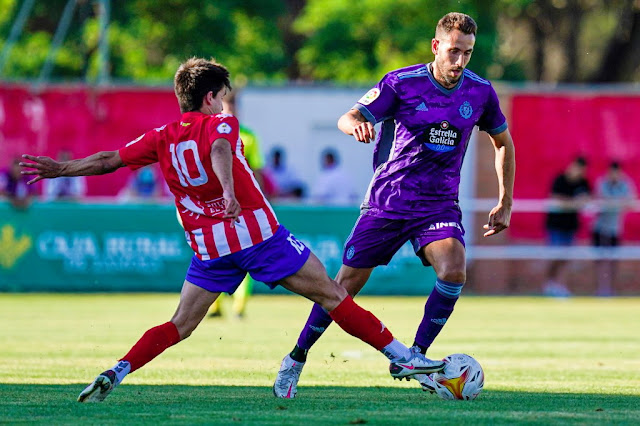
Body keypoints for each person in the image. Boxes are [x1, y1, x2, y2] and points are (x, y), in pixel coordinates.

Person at [20, 57, 445, 403]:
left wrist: (60, 169)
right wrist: (226, 188)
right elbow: (221, 148)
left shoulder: (162, 136)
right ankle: (401, 356)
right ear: (210, 98)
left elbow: (109, 160)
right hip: (257, 236)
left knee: (181, 324)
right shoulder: (221, 123)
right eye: (224, 96)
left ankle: (118, 370)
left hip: (210, 248)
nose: (228, 104)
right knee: (333, 294)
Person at [273, 12, 515, 398]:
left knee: (454, 270)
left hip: (437, 205)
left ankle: (415, 356)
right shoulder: (401, 83)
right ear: (436, 46)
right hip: (388, 201)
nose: (459, 62)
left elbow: (503, 142)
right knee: (343, 288)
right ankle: (296, 359)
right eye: (453, 52)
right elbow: (349, 116)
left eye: (467, 54)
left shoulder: (480, 92)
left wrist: (505, 201)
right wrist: (355, 124)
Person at [208, 87, 269, 319]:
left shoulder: (248, 136)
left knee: (247, 255)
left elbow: (257, 170)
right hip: (217, 206)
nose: (230, 110)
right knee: (217, 255)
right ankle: (215, 305)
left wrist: (261, 198)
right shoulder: (210, 132)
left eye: (233, 106)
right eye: (226, 106)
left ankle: (239, 306)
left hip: (243, 205)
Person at [543, 156, 591, 297]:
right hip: (556, 225)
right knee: (555, 256)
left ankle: (560, 285)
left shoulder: (583, 182)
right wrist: (573, 203)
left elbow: (587, 200)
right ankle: (549, 284)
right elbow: (555, 199)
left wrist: (580, 203)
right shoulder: (560, 180)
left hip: (571, 226)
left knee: (566, 257)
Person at [591, 161, 636, 296]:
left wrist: (617, 202)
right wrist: (618, 202)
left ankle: (610, 289)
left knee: (613, 260)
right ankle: (601, 288)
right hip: (600, 227)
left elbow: (631, 202)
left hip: (615, 228)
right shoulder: (602, 183)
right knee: (600, 260)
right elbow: (601, 200)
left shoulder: (626, 184)